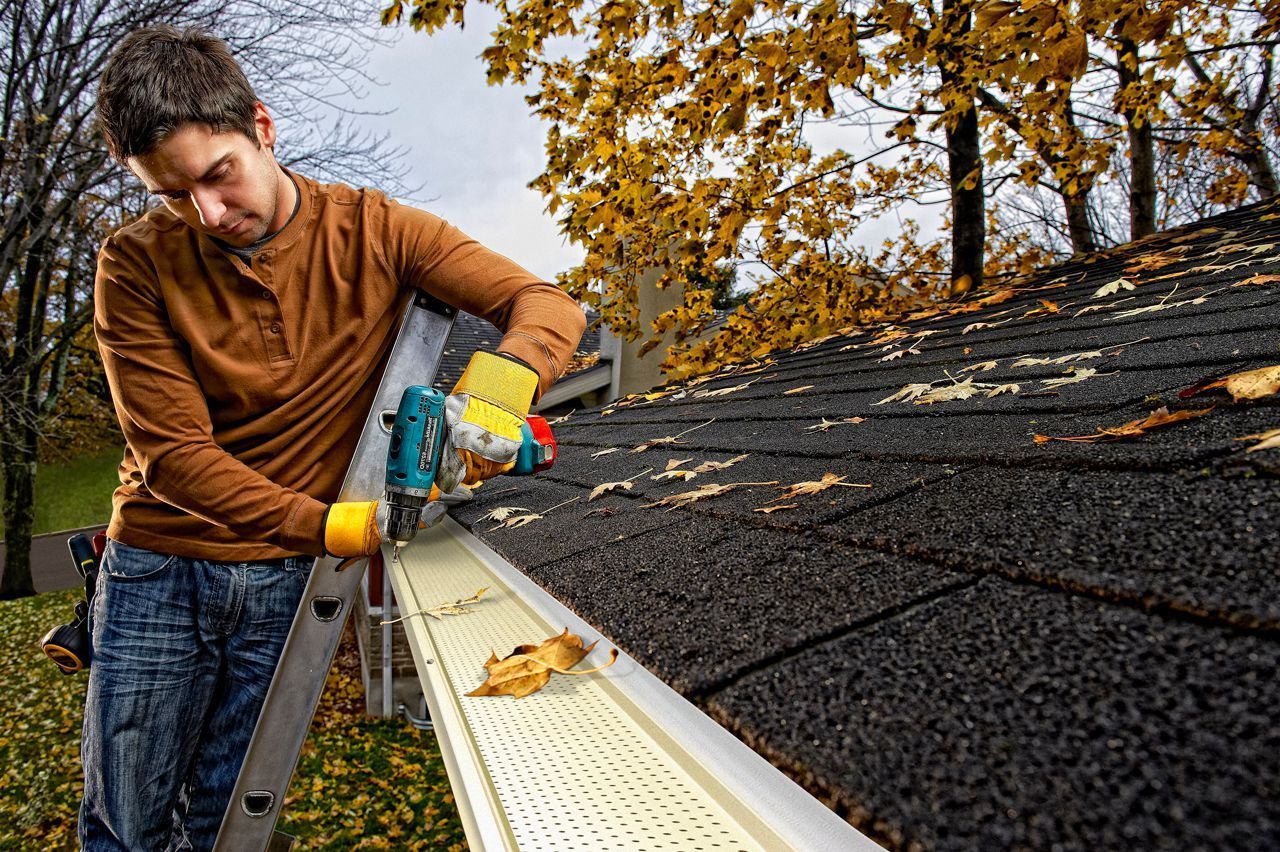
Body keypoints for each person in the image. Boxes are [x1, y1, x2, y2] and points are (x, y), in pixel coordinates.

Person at [82, 24, 585, 850]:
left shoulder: (377, 231)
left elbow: (548, 307)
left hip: (282, 581)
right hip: (161, 566)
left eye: (219, 175)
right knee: (125, 826)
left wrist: (493, 396)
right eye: (173, 195)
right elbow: (175, 458)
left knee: (224, 819)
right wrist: (335, 527)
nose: (207, 214)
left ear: (262, 129)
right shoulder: (134, 264)